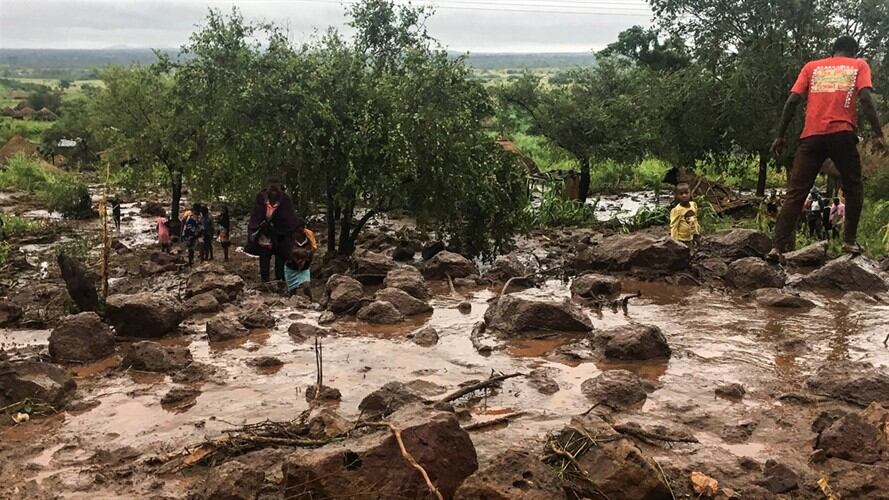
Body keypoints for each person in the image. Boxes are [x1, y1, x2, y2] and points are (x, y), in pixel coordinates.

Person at [769, 36, 886, 260]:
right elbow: (865, 98)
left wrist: (780, 136)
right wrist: (878, 133)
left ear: (833, 51)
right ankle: (849, 242)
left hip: (811, 136)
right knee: (853, 187)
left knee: (796, 193)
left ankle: (776, 247)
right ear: (853, 51)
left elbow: (792, 101)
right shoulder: (859, 65)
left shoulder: (811, 67)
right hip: (842, 133)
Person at [247, 178, 301, 283]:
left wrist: (278, 226)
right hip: (264, 235)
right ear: (267, 187)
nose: (273, 189)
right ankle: (265, 283)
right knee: (264, 259)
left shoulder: (285, 200)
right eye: (271, 186)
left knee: (281, 261)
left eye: (276, 186)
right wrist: (261, 226)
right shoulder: (261, 198)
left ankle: (280, 282)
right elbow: (255, 215)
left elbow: (290, 218)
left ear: (280, 186)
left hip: (280, 236)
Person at [285, 222, 317, 295]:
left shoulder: (309, 238)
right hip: (291, 267)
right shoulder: (289, 237)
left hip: (304, 268)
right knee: (292, 290)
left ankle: (310, 300)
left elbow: (312, 251)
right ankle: (293, 301)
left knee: (306, 286)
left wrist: (301, 254)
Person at [669, 183, 701, 248]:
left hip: (692, 236)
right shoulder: (677, 210)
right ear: (677, 196)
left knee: (692, 249)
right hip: (682, 240)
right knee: (685, 251)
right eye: (681, 194)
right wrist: (675, 242)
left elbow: (695, 220)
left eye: (686, 193)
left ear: (690, 193)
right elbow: (674, 226)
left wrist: (697, 233)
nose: (684, 195)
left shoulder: (693, 205)